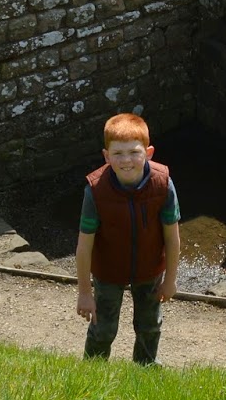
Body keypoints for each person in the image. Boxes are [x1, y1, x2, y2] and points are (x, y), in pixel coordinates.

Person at [75, 112, 181, 365]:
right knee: (103, 328)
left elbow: (173, 239)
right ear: (106, 156)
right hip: (108, 271)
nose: (126, 161)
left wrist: (170, 281)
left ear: (149, 152)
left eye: (134, 152)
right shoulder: (95, 191)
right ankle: (92, 372)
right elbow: (84, 246)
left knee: (149, 326)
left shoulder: (162, 184)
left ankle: (143, 370)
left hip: (149, 269)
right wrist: (84, 292)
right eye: (118, 154)